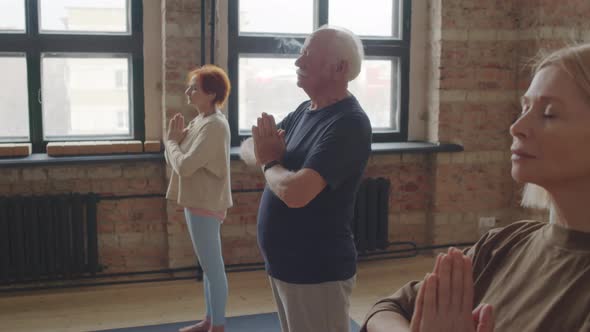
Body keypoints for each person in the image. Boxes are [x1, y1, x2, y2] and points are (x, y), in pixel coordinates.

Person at [361, 43, 590, 332]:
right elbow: (386, 309)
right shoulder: (502, 245)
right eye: (524, 108)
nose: (516, 126)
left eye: (548, 113)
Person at [240, 25, 372, 332]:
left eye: (308, 56)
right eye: (300, 53)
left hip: (317, 272)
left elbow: (297, 193)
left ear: (341, 68)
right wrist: (266, 156)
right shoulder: (305, 110)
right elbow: (250, 148)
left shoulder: (349, 123)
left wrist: (270, 160)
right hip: (285, 267)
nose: (298, 63)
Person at [164, 64, 232, 332]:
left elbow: (183, 165)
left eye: (195, 88)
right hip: (198, 201)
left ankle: (218, 326)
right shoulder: (200, 120)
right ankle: (209, 321)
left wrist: (171, 142)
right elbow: (176, 158)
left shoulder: (214, 125)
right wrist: (173, 145)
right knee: (207, 267)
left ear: (212, 94)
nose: (188, 92)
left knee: (213, 269)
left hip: (205, 203)